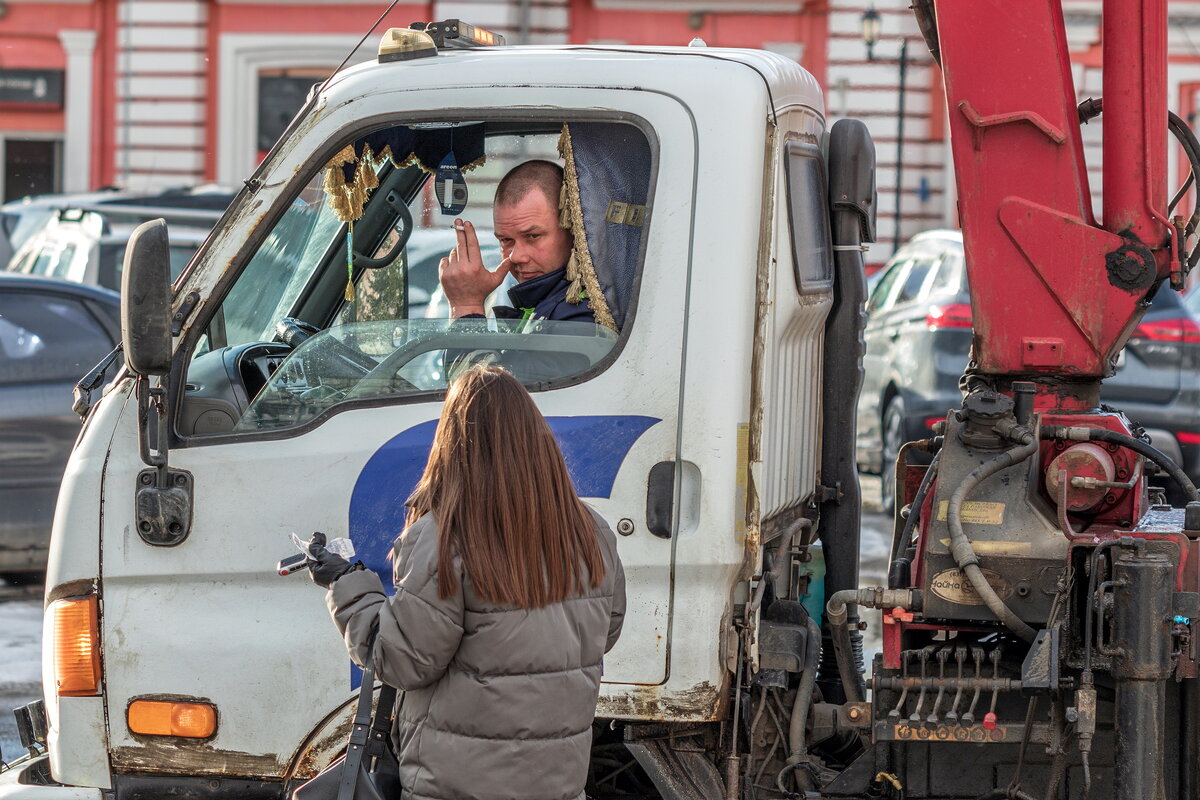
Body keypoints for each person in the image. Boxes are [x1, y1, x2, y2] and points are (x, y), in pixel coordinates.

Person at [305, 365, 626, 800]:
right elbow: (605, 632)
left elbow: (402, 661)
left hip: (457, 784)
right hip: (557, 784)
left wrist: (345, 583)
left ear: (453, 442)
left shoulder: (445, 536)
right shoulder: (592, 530)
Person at [440, 160, 595, 325]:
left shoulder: (579, 314)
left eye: (533, 236)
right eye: (505, 240)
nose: (516, 257)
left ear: (574, 231)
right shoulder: (538, 303)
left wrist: (467, 307)